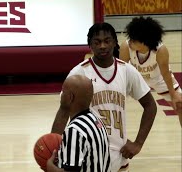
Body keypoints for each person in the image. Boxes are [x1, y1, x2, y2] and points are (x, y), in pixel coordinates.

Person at [51, 22, 157, 171]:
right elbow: (64, 110)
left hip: (119, 156)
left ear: (114, 42)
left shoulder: (126, 70)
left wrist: (138, 143)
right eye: (97, 42)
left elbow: (150, 105)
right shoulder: (79, 72)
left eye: (107, 41)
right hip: (89, 156)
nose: (102, 46)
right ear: (90, 45)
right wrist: (54, 147)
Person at [119, 16, 182, 127]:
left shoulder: (161, 50)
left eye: (134, 40)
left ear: (145, 42)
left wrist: (173, 94)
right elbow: (120, 72)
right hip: (135, 78)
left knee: (180, 105)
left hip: (158, 78)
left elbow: (165, 73)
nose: (130, 42)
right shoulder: (126, 46)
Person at [47, 75, 111, 172]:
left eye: (63, 91)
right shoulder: (98, 121)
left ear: (70, 97)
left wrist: (51, 168)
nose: (61, 95)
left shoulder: (74, 131)